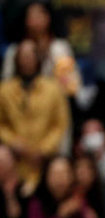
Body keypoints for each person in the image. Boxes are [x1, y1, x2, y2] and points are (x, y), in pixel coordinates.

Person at [0, 39, 71, 194]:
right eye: (23, 55)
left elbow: (60, 124)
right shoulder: (4, 90)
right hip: (15, 157)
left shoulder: (53, 89)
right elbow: (1, 124)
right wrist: (13, 142)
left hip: (45, 159)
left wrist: (43, 149)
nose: (27, 59)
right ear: (16, 59)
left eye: (31, 55)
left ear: (38, 58)